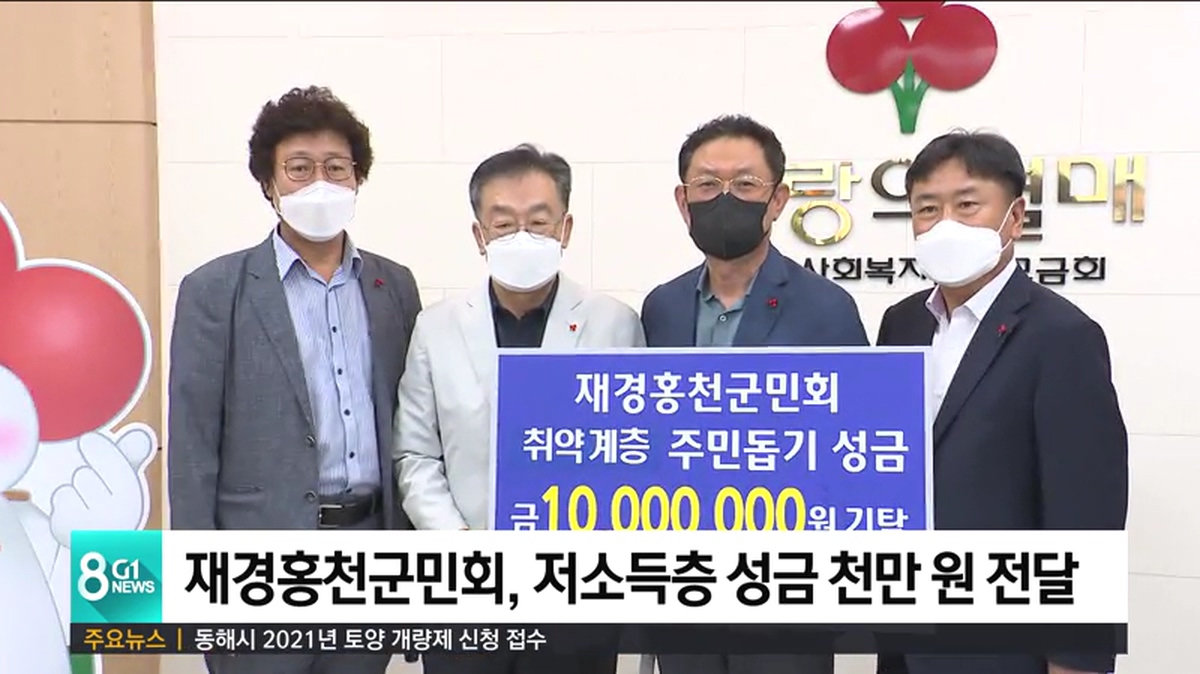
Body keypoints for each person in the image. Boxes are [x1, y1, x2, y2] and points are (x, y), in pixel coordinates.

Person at [168, 86, 421, 674]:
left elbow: (412, 426)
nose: (320, 184)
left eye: (336, 168)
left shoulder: (393, 286)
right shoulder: (215, 290)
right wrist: (199, 591)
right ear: (269, 183)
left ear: (358, 178)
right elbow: (192, 447)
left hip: (369, 559)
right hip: (256, 566)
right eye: (300, 169)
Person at [874, 131, 1128, 674]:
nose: (945, 224)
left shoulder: (1062, 336)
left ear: (1015, 218)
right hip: (907, 634)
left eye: (968, 205)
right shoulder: (902, 323)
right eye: (927, 209)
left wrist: (1076, 660)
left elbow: (1086, 514)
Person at [394, 144, 642, 674]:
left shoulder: (615, 323)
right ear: (479, 235)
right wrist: (458, 542)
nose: (522, 237)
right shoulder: (436, 328)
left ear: (566, 229)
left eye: (539, 222)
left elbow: (634, 452)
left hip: (576, 590)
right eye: (504, 225)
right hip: (465, 590)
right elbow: (415, 456)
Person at [639, 115, 868, 674]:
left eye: (745, 184)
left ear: (777, 200)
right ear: (683, 200)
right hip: (682, 580)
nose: (725, 199)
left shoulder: (826, 308)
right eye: (707, 185)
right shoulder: (661, 306)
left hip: (786, 589)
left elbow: (859, 444)